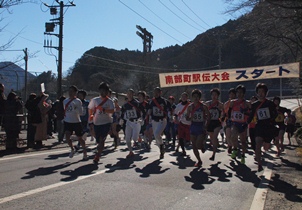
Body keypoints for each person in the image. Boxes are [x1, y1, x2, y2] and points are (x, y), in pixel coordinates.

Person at [247, 83, 278, 172]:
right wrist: (246, 123)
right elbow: (251, 115)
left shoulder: (270, 104)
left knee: (266, 147)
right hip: (259, 126)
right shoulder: (254, 104)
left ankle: (268, 143)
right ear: (257, 93)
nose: (261, 94)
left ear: (266, 93)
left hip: (268, 126)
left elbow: (275, 114)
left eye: (262, 92)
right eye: (259, 92)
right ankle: (259, 165)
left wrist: (272, 120)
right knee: (258, 144)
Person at [88, 82, 115, 164]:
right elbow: (90, 109)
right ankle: (99, 148)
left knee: (102, 139)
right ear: (99, 91)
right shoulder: (95, 100)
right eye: (102, 90)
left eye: (106, 91)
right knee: (98, 140)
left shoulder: (110, 101)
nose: (104, 92)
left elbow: (112, 111)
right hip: (96, 123)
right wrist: (91, 118)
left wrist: (104, 110)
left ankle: (97, 156)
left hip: (106, 123)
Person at [186, 89, 210, 167]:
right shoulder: (190, 107)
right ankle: (199, 160)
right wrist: (190, 118)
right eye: (194, 96)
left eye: (197, 96)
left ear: (199, 97)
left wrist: (206, 124)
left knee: (198, 145)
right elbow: (187, 117)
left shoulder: (203, 106)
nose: (196, 98)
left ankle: (202, 146)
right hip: (193, 126)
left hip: (201, 127)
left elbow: (209, 116)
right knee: (193, 145)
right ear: (192, 97)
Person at [63, 85, 87, 160]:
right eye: (69, 91)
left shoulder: (78, 101)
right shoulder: (65, 101)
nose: (70, 93)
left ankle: (84, 152)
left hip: (76, 121)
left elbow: (81, 113)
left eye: (72, 91)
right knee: (67, 137)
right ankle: (72, 149)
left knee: (79, 138)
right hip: (67, 121)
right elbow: (65, 111)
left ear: (75, 93)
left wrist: (76, 108)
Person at [228, 84, 250, 164]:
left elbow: (251, 113)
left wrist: (245, 112)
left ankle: (243, 156)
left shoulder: (247, 103)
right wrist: (229, 118)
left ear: (244, 93)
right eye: (238, 92)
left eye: (241, 92)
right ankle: (235, 149)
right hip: (235, 122)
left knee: (243, 141)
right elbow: (229, 111)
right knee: (233, 136)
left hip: (243, 124)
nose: (239, 94)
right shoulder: (232, 102)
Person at [148, 87, 172, 159]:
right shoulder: (151, 101)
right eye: (154, 92)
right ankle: (161, 150)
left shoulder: (164, 101)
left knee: (157, 133)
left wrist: (171, 116)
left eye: (157, 92)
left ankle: (161, 146)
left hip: (162, 120)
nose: (156, 94)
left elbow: (170, 109)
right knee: (156, 137)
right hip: (154, 120)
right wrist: (148, 115)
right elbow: (149, 109)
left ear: (160, 93)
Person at [121, 89, 142, 158]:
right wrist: (121, 120)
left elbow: (143, 112)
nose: (129, 95)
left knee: (134, 138)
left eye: (131, 94)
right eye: (128, 94)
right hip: (129, 122)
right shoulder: (125, 105)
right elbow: (122, 113)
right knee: (127, 138)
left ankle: (138, 140)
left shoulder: (137, 103)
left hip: (136, 122)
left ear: (133, 94)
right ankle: (130, 151)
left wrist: (142, 118)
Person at [206, 88, 224, 161]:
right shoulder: (207, 103)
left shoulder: (220, 104)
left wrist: (222, 117)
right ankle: (215, 144)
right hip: (210, 122)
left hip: (217, 122)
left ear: (218, 96)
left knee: (214, 137)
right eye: (213, 95)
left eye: (215, 95)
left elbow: (223, 113)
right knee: (212, 138)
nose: (214, 96)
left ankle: (213, 154)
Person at [224, 88, 236, 154]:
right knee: (228, 134)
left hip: (236, 120)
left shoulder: (237, 102)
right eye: (230, 94)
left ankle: (234, 147)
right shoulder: (226, 103)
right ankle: (230, 145)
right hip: (228, 120)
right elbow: (224, 112)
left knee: (233, 135)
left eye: (233, 94)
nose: (232, 95)